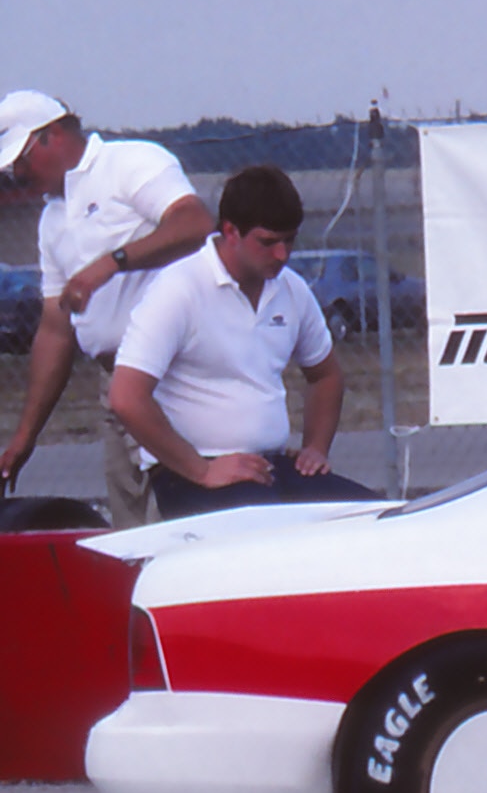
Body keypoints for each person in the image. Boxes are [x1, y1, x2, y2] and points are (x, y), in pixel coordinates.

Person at [104, 165, 376, 521]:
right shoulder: (179, 288)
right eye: (268, 242)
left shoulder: (291, 288)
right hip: (192, 477)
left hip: (271, 467)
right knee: (275, 532)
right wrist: (202, 470)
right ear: (230, 231)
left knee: (375, 518)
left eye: (290, 240)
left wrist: (315, 448)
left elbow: (325, 375)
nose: (282, 254)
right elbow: (126, 398)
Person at [0, 94, 216, 529]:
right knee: (130, 525)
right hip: (113, 381)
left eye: (19, 162)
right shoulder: (52, 219)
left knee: (182, 516)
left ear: (52, 136)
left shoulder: (130, 163)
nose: (17, 175)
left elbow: (193, 224)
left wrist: (110, 263)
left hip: (172, 373)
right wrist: (25, 437)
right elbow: (56, 331)